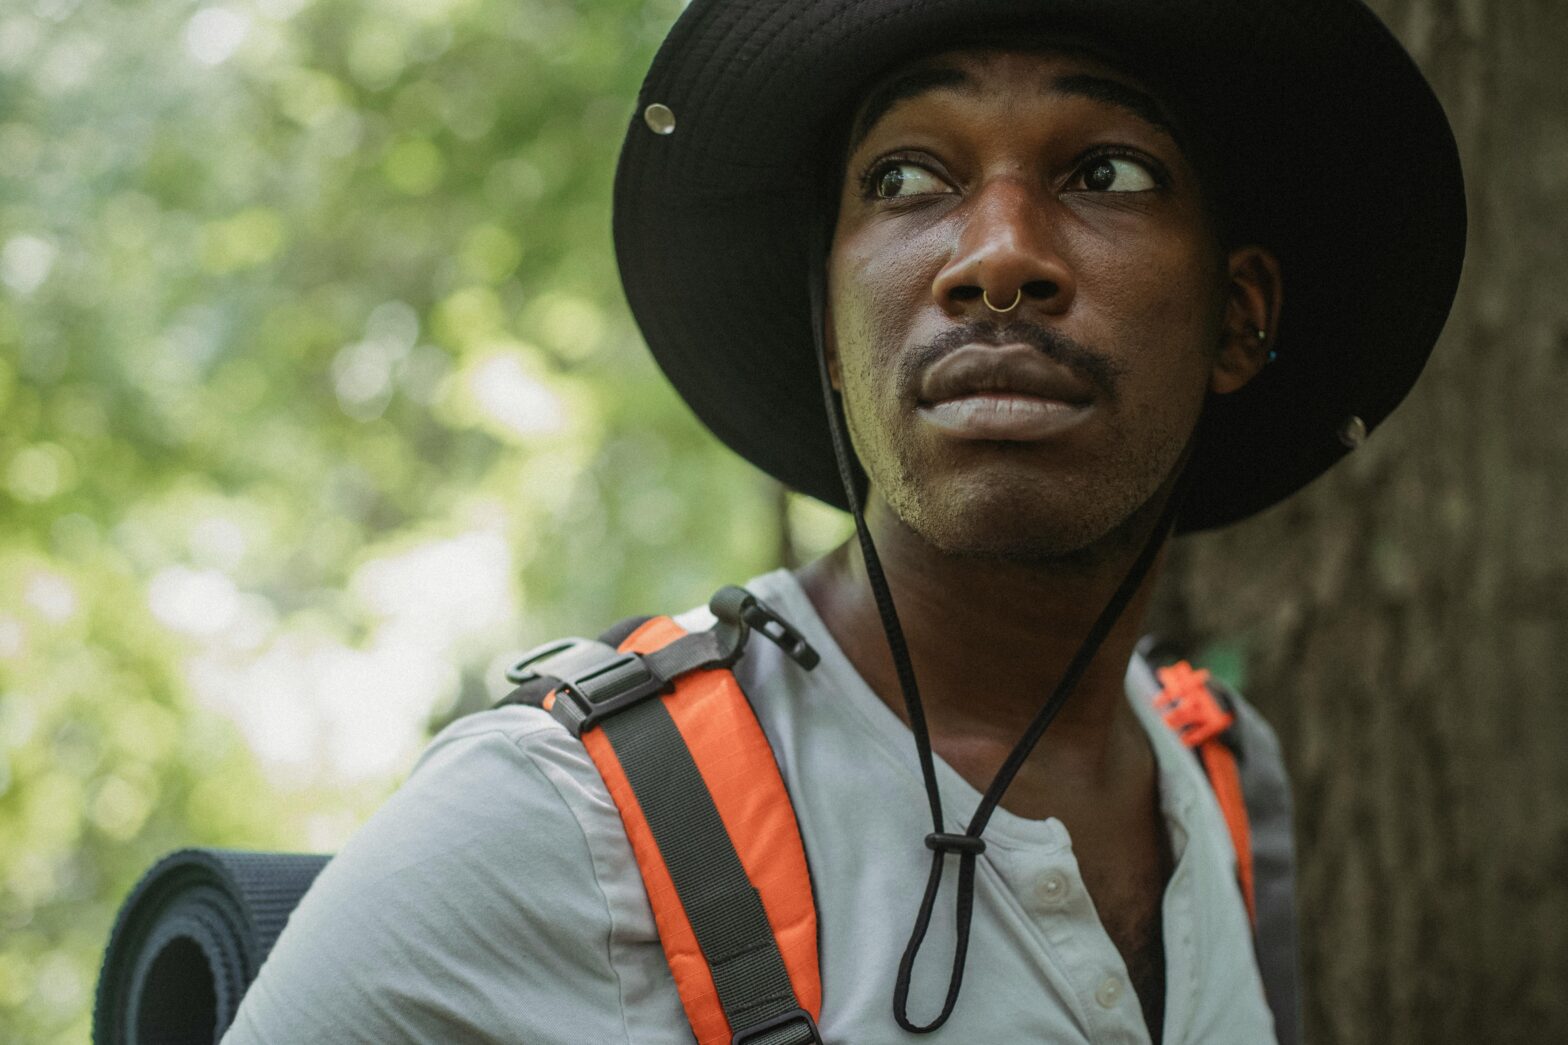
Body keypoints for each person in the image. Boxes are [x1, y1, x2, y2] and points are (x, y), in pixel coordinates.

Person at [223, 0, 1465, 1042]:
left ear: (1238, 320)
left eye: (1106, 172)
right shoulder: (563, 810)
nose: (996, 257)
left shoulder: (1222, 779)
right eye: (907, 178)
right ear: (827, 326)